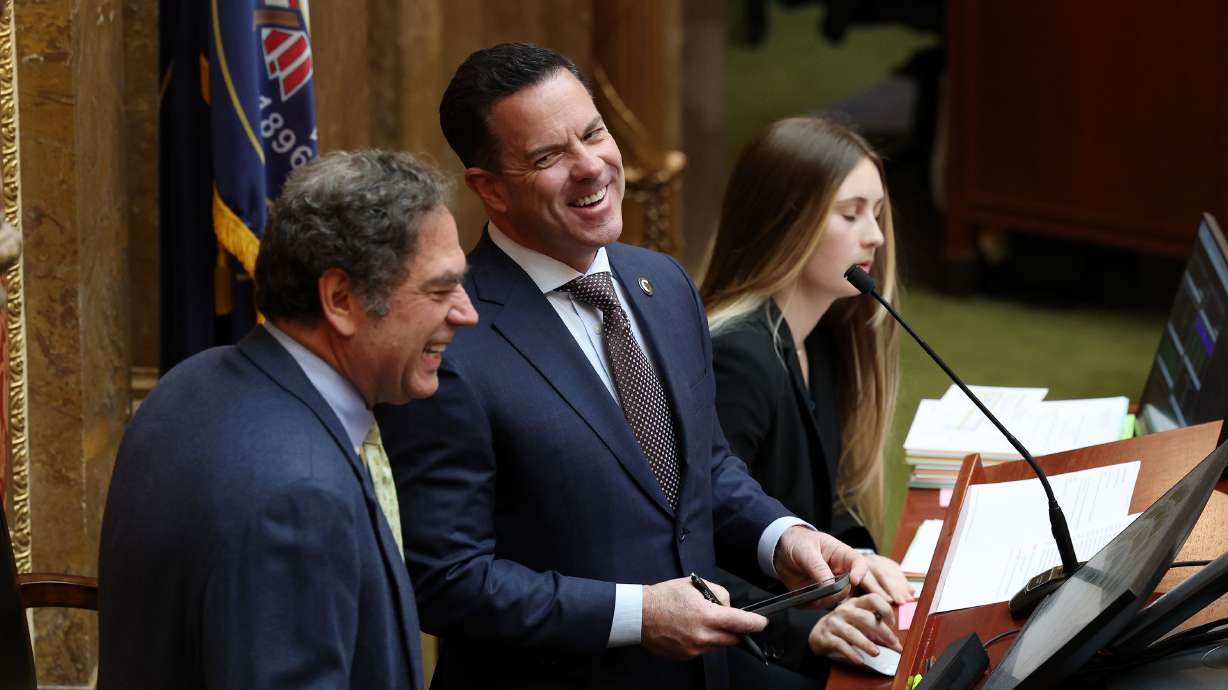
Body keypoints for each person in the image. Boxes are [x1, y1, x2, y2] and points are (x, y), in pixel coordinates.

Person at [374, 43, 867, 690]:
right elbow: (448, 580)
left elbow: (703, 467)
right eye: (549, 156)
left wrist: (782, 537)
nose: (591, 167)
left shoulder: (662, 283)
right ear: (490, 189)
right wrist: (635, 614)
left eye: (594, 133)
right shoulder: (451, 338)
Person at [98, 150, 477, 690]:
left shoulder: (189, 385)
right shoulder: (298, 496)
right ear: (341, 299)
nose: (466, 313)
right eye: (440, 290)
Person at [699, 116, 913, 687]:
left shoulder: (824, 332)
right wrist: (799, 629)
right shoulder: (736, 358)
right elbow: (695, 543)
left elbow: (823, 495)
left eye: (877, 213)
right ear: (786, 223)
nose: (875, 236)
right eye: (850, 214)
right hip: (741, 648)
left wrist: (863, 559)